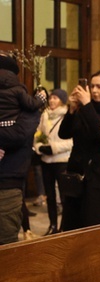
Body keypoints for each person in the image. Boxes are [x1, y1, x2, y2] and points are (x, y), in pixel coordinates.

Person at [59, 70, 100, 230]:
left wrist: (86, 105)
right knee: (71, 225)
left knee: (93, 225)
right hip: (77, 175)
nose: (94, 90)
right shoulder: (83, 109)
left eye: (99, 86)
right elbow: (63, 133)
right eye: (92, 86)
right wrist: (71, 110)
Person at [0, 54, 46, 244]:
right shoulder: (19, 94)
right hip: (9, 180)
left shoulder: (26, 109)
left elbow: (19, 135)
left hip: (7, 185)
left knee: (5, 245)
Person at [34, 89, 72, 234]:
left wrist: (53, 148)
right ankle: (53, 226)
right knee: (50, 196)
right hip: (46, 161)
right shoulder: (45, 115)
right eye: (50, 98)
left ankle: (64, 226)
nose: (51, 101)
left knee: (64, 196)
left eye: (55, 98)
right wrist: (39, 147)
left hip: (62, 160)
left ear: (62, 100)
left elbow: (72, 142)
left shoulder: (67, 115)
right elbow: (38, 134)